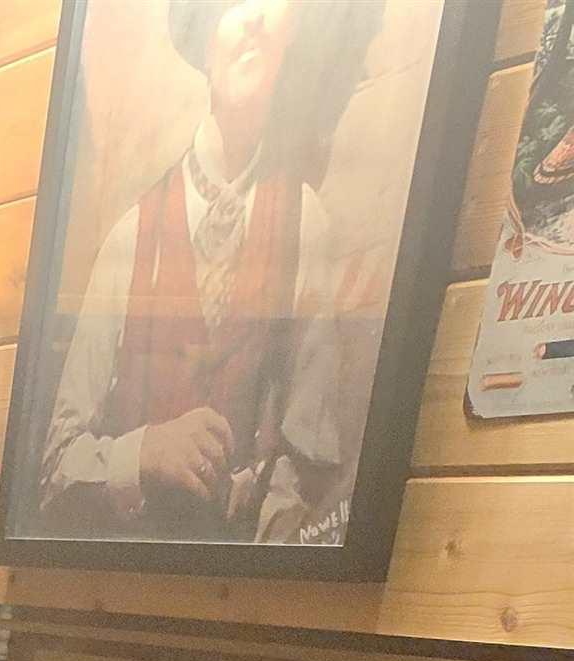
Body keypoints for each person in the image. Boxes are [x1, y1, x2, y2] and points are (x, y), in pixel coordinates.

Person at [38, 0, 381, 543]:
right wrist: (143, 451)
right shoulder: (132, 234)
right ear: (204, 35)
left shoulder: (304, 224)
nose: (255, 19)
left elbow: (309, 453)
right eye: (233, 4)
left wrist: (265, 525)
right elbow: (56, 467)